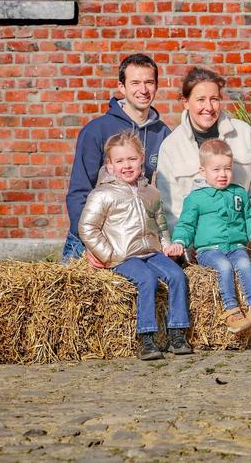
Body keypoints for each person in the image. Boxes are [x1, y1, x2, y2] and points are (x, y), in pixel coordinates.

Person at [79, 131, 192, 361]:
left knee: (178, 275)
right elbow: (87, 227)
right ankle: (147, 338)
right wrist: (108, 255)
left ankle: (177, 332)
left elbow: (161, 225)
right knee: (147, 280)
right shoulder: (102, 194)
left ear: (142, 159)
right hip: (124, 257)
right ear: (109, 166)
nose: (127, 166)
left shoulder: (151, 192)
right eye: (119, 161)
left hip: (151, 252)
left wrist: (167, 246)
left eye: (131, 159)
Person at [64, 54, 171, 262]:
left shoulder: (164, 134)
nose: (143, 90)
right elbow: (79, 192)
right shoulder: (96, 130)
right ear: (121, 87)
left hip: (137, 248)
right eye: (135, 83)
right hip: (95, 244)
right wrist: (92, 246)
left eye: (149, 82)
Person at [156, 67, 251, 234]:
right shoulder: (171, 147)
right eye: (200, 100)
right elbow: (171, 207)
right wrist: (188, 246)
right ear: (185, 102)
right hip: (197, 249)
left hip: (244, 242)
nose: (208, 107)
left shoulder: (244, 134)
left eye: (214, 99)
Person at [169, 139, 251, 334]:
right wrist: (179, 241)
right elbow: (186, 224)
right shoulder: (196, 198)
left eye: (227, 169)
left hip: (236, 247)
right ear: (202, 171)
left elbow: (250, 217)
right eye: (216, 170)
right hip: (209, 250)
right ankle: (231, 310)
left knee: (246, 264)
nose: (223, 174)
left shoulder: (239, 193)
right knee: (224, 266)